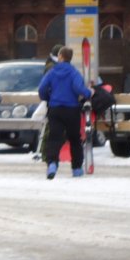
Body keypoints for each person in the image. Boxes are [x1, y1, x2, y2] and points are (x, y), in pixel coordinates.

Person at [37, 45, 92, 179]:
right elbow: (79, 88)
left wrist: (47, 98)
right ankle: (77, 168)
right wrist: (88, 93)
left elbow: (42, 88)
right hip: (72, 110)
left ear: (60, 57)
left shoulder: (52, 71)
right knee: (74, 139)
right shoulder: (74, 73)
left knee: (54, 138)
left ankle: (52, 164)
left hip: (55, 109)